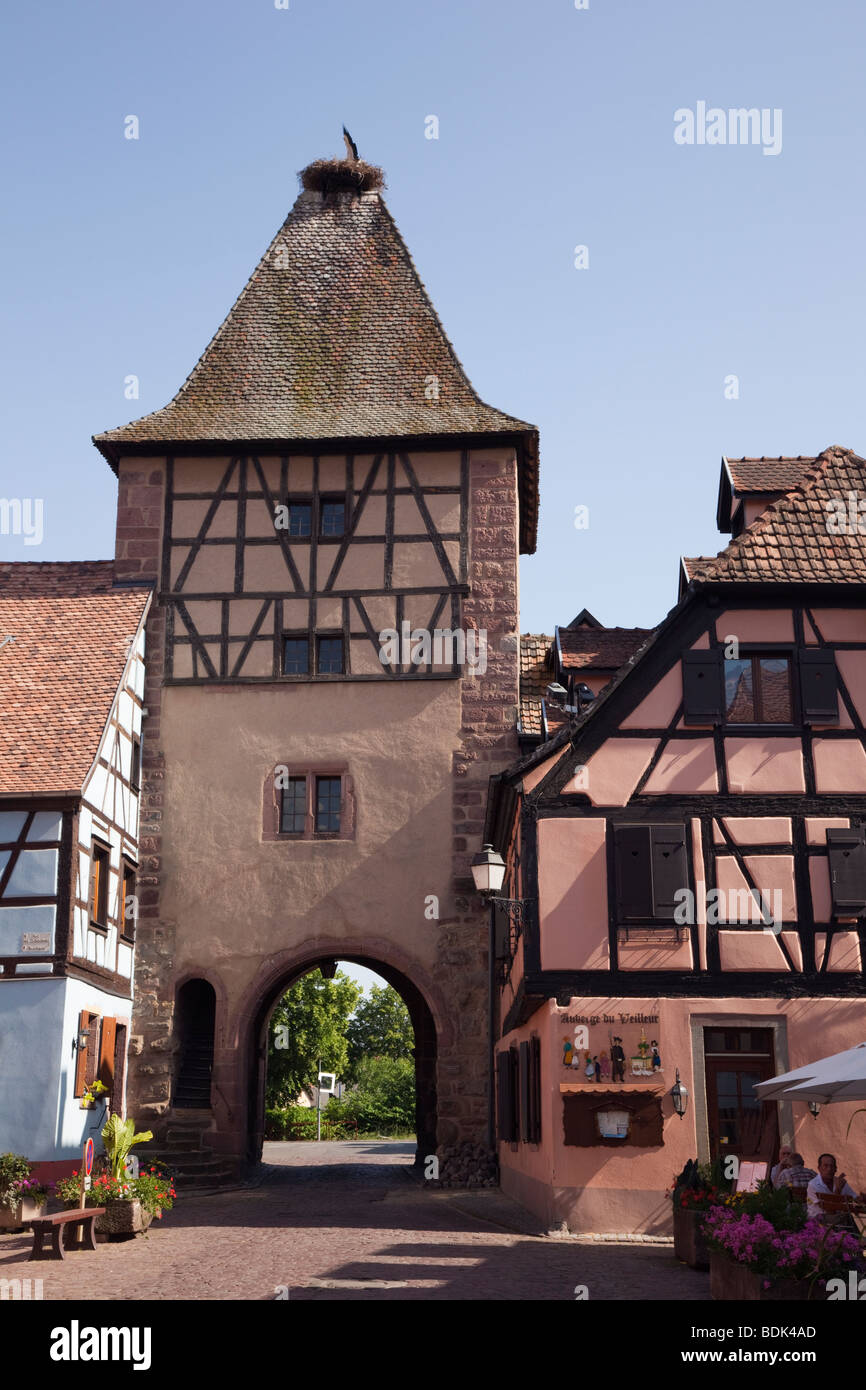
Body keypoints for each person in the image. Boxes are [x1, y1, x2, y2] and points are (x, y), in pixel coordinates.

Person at [806, 1153, 863, 1217]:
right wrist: (838, 1190)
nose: (829, 1169)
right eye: (825, 1166)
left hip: (838, 1221)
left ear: (836, 1169)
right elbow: (830, 1211)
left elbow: (855, 1198)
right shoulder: (813, 1185)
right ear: (819, 1168)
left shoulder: (840, 1182)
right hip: (820, 1221)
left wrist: (862, 1198)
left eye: (832, 1166)